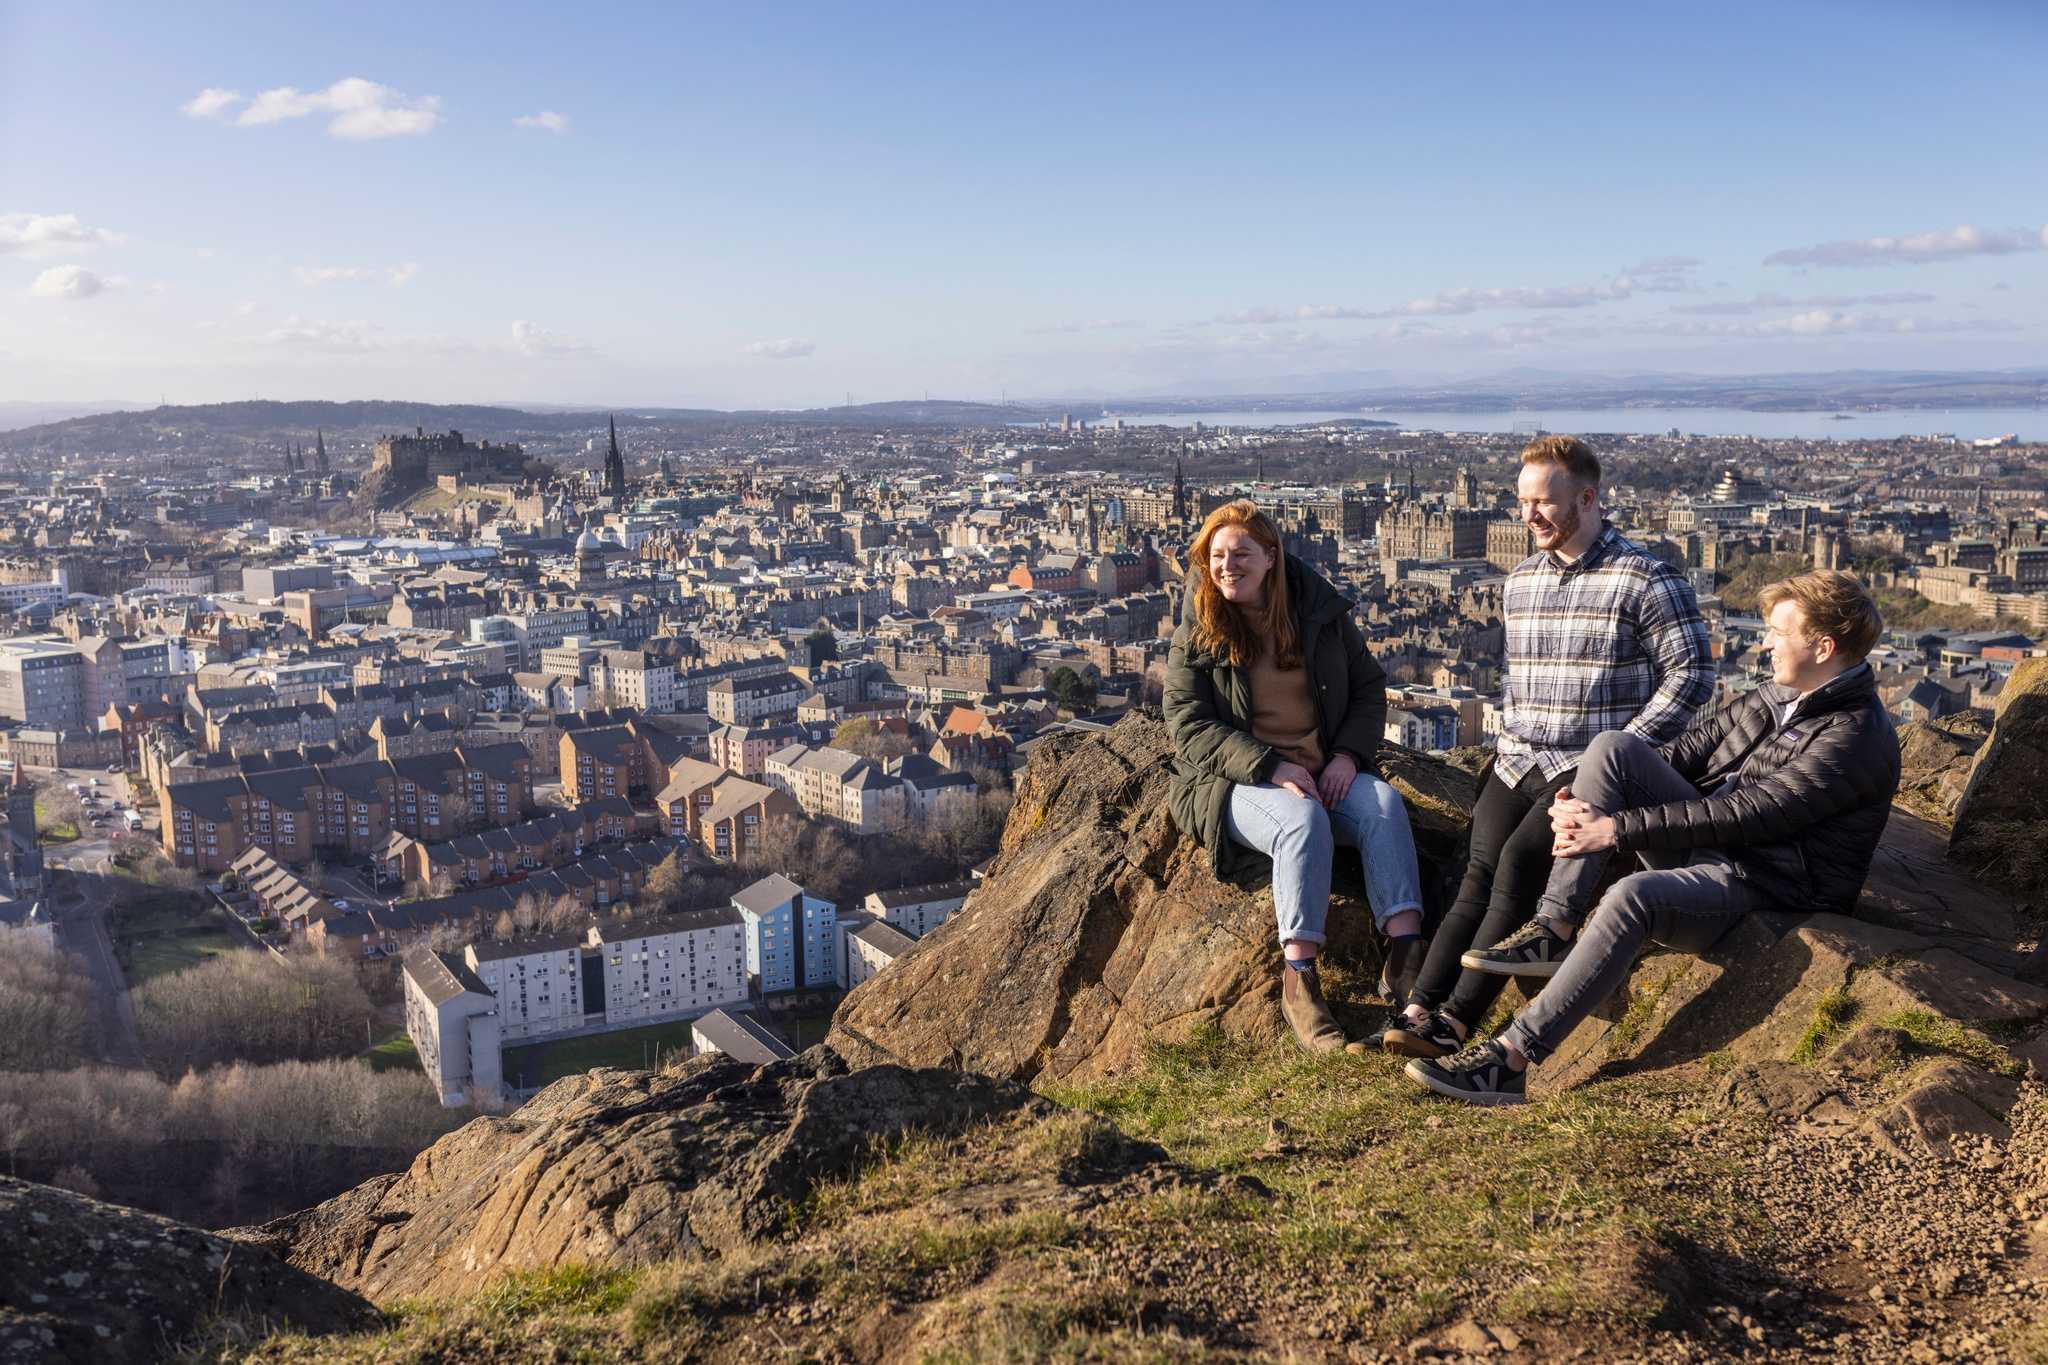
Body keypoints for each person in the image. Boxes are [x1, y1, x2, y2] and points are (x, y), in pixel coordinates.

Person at [1406, 570, 1900, 1104]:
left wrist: (1613, 830)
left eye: (1779, 633)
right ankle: (1554, 925)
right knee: (1612, 749)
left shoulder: (1855, 734)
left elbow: (1753, 814)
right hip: (1716, 846)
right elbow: (1680, 754)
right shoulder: (1779, 694)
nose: (1765, 644)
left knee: (1632, 896)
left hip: (1767, 880)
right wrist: (1582, 798)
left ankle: (1509, 1060)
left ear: (1823, 647)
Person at [1383, 436, 1713, 1058]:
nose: (1529, 515)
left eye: (1543, 503)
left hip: (1583, 764)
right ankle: (1415, 1010)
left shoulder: (1645, 577)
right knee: (1475, 875)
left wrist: (1622, 752)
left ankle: (1454, 1023)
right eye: (1523, 502)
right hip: (1518, 757)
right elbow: (1518, 677)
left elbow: (1692, 674)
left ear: (1587, 499)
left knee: (1516, 870)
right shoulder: (1521, 580)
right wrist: (1508, 733)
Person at [1164, 499, 1427, 1053]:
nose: (1227, 566)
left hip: (1322, 766)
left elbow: (1367, 686)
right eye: (1216, 556)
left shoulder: (1318, 611)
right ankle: (1300, 978)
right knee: (1302, 823)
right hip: (1232, 780)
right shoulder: (1200, 621)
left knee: (1384, 807)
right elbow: (1187, 723)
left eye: (1241, 554)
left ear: (1271, 556)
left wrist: (1347, 756)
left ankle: (1406, 960)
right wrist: (1270, 765)